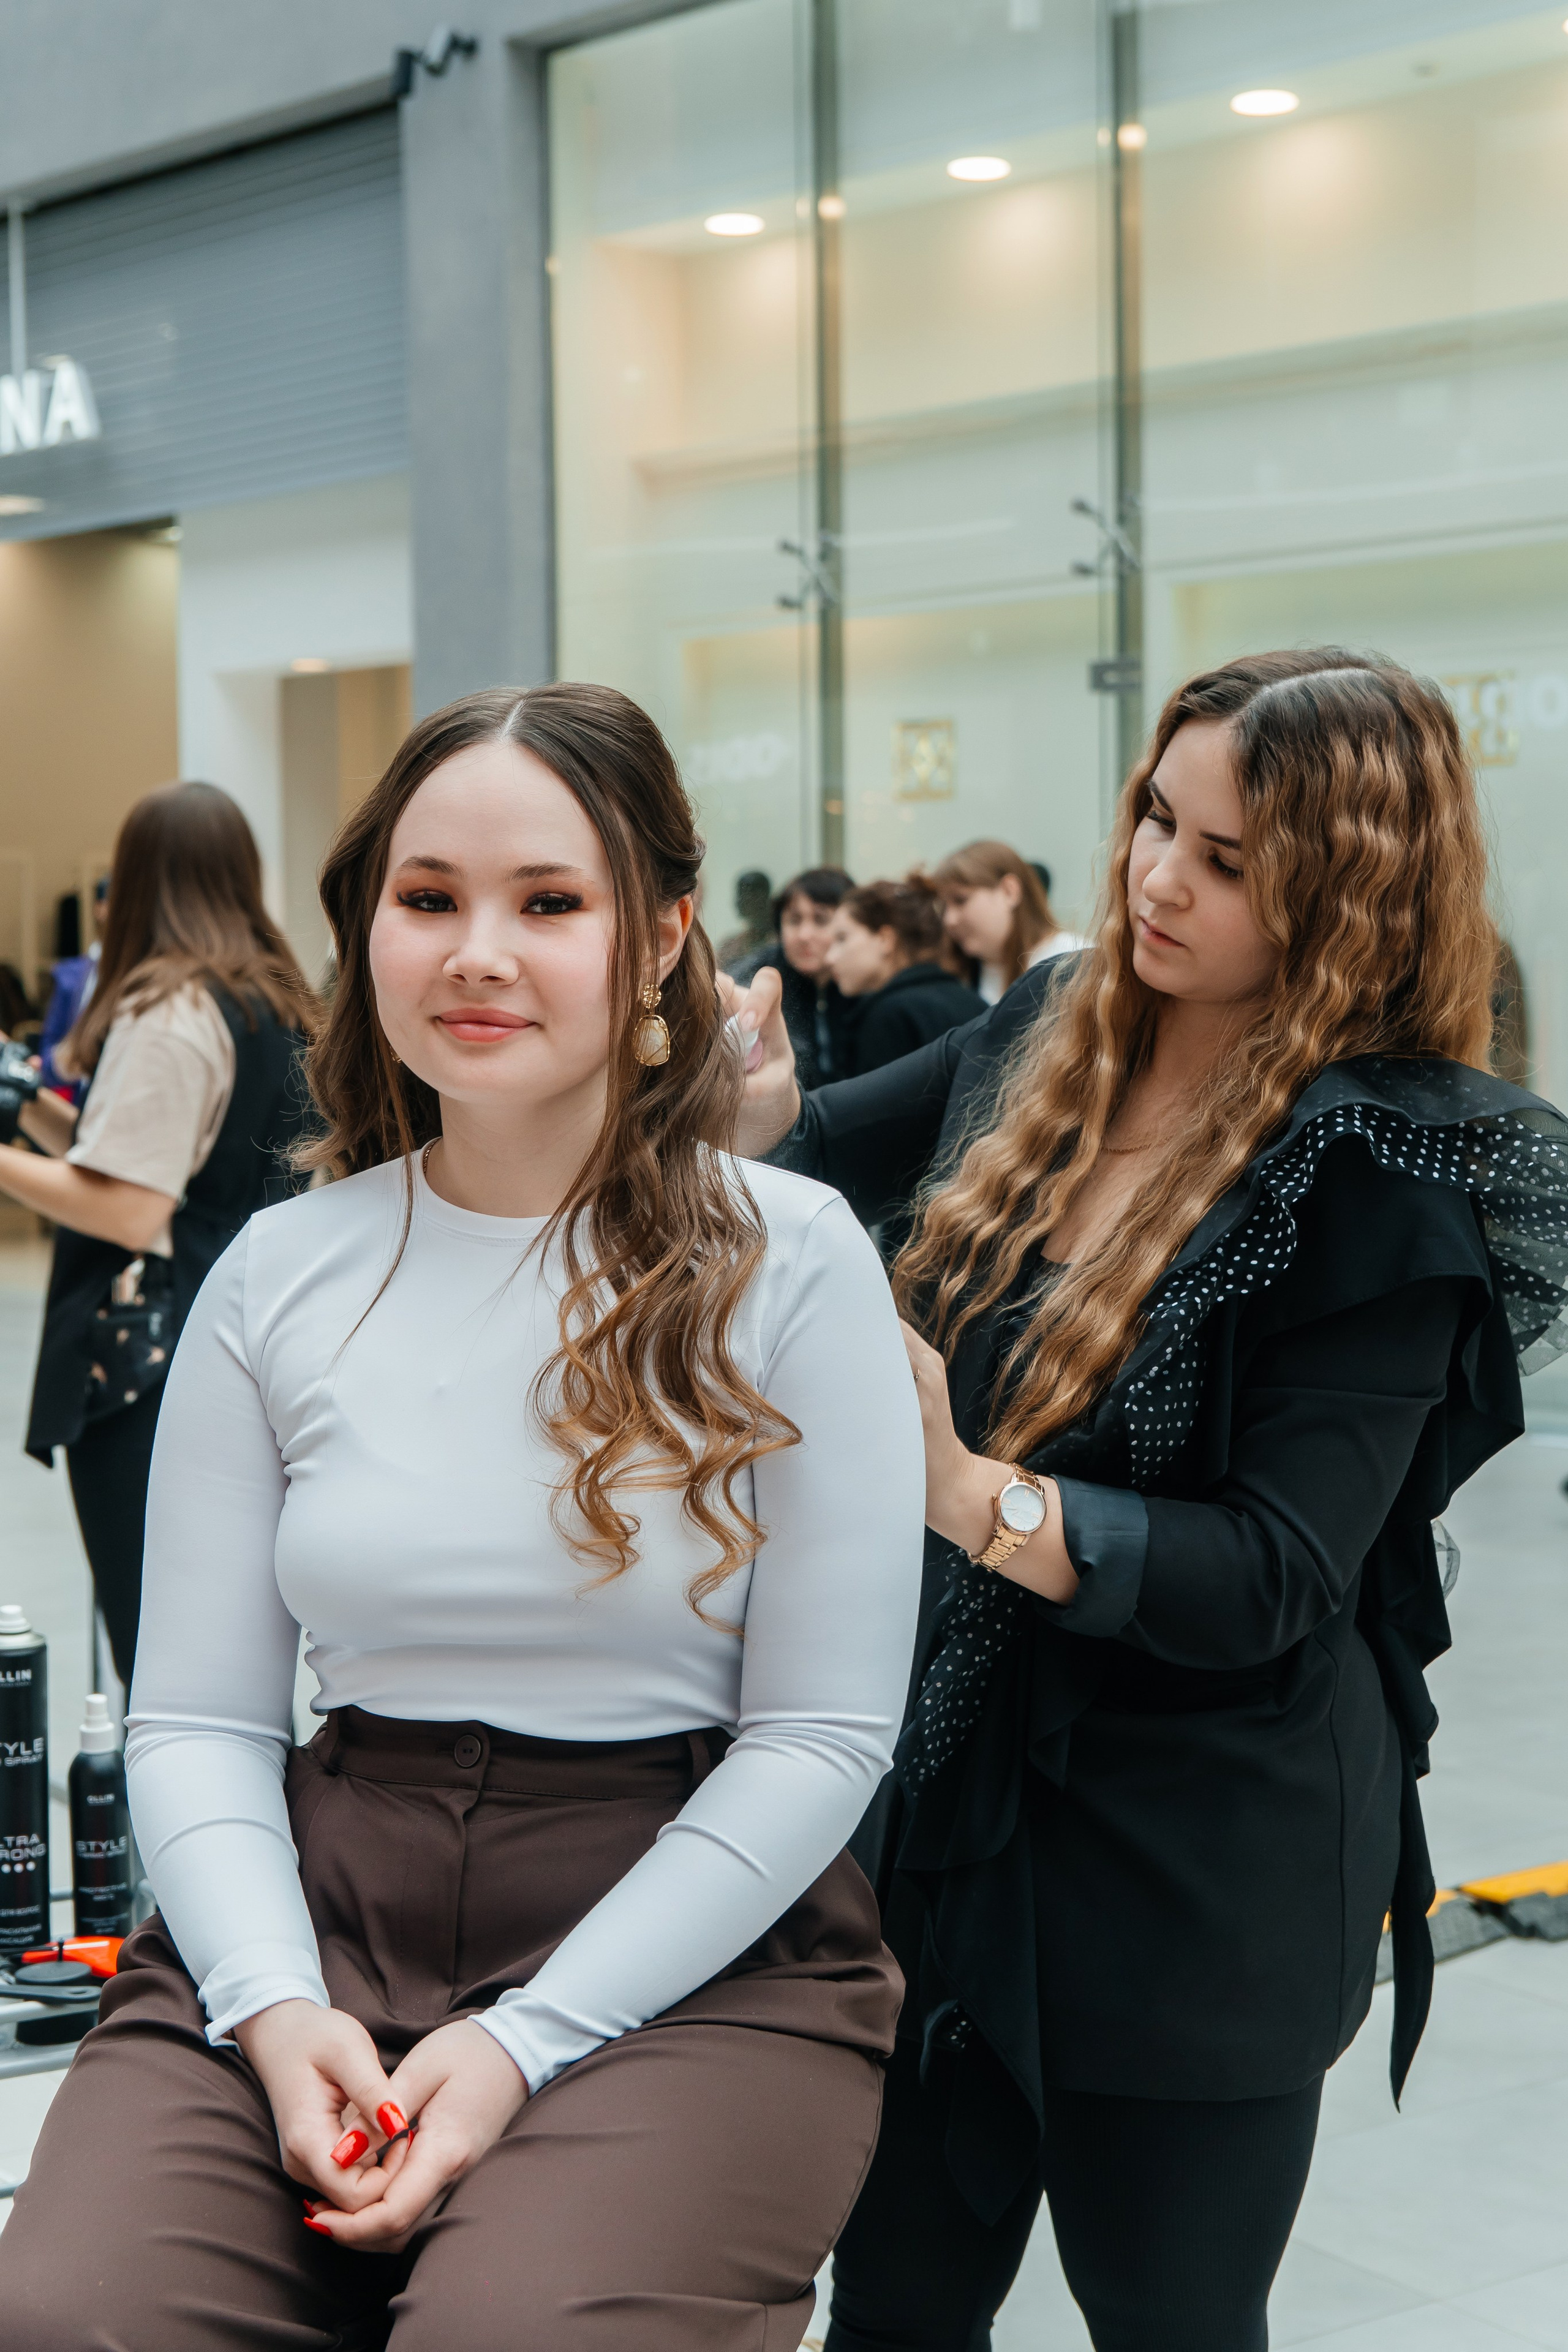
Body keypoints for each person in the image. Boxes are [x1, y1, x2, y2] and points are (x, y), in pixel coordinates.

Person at [0, 682, 923, 2352]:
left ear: (652, 941)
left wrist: (522, 2043)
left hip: (692, 1918)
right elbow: (201, 1713)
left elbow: (823, 1735)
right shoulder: (282, 1270)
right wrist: (276, 2008)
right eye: (428, 902)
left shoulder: (792, 1262)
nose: (476, 952)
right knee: (73, 2315)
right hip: (323, 1885)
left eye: (547, 903)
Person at [721, 649, 1568, 2351]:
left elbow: (1272, 1573)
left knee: (1170, 2315)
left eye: (1230, 860)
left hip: (1197, 1866)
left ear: (1345, 893)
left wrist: (970, 1495)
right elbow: (800, 1157)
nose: (1157, 879)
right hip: (957, 1814)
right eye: (1152, 820)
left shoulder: (1378, 1177)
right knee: (892, 2302)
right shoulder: (1055, 1025)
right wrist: (722, 1101)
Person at [0, 784, 315, 1688]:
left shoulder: (169, 1009)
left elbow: (131, 1209)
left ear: (135, 882)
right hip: (240, 1341)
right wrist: (36, 1117)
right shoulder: (270, 998)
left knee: (163, 1666)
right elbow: (149, 1162)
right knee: (228, 1651)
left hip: (148, 1371)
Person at [824, 879, 984, 1078]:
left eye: (842, 939)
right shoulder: (970, 1000)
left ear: (885, 940)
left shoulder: (890, 1016)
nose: (829, 958)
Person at [731, 864, 857, 1086]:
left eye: (821, 920)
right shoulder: (752, 982)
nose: (804, 935)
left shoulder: (864, 984)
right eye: (794, 920)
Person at [933, 837, 1088, 1003]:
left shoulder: (1074, 961)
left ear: (1009, 891)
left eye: (960, 900)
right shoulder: (958, 976)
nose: (949, 920)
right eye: (944, 907)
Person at [716, 866, 775, 971]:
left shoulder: (780, 946)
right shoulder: (729, 947)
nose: (740, 902)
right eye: (741, 895)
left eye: (752, 896)